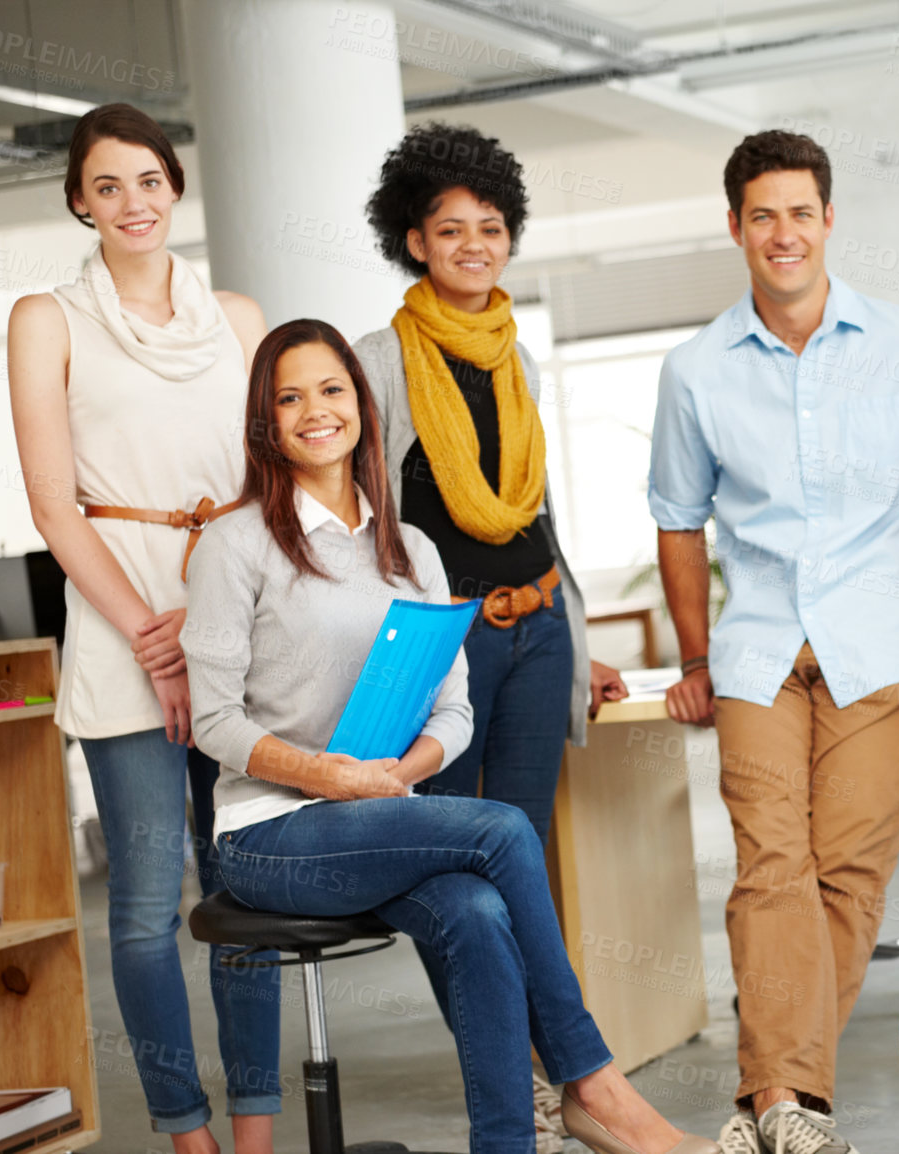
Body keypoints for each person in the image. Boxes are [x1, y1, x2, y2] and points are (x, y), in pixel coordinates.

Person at [183, 318, 719, 1154]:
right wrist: (330, 777)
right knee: (502, 827)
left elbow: (453, 716)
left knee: (473, 909)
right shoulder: (235, 544)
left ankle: (507, 1143)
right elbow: (214, 721)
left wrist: (399, 772)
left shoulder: (411, 549)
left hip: (376, 811)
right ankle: (597, 1086)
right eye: (289, 397)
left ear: (361, 405)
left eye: (332, 390)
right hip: (273, 833)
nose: (314, 411)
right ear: (266, 422)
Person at [648, 129, 899, 1154]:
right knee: (771, 866)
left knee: (846, 875)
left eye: (799, 211)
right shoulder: (696, 369)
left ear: (828, 219)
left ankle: (774, 1095)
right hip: (758, 650)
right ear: (735, 228)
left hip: (886, 651)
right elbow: (678, 517)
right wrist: (693, 656)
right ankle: (787, 1105)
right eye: (761, 214)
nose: (782, 232)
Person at [7, 103, 280, 1153]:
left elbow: (271, 481)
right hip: (120, 623)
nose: (133, 202)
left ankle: (254, 1128)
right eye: (107, 185)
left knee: (246, 886)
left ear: (176, 188)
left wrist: (210, 623)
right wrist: (151, 632)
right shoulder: (48, 318)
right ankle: (186, 1132)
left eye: (150, 181)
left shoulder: (241, 316)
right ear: (79, 198)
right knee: (143, 906)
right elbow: (51, 503)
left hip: (241, 622)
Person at [353, 124, 625, 1146]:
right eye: (451, 228)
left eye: (492, 226)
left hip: (537, 627)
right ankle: (513, 1067)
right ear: (414, 239)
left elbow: (535, 508)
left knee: (526, 858)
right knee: (454, 875)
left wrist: (579, 627)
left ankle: (553, 1071)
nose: (475, 244)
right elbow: (367, 515)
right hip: (442, 642)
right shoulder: (378, 360)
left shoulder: (517, 352)